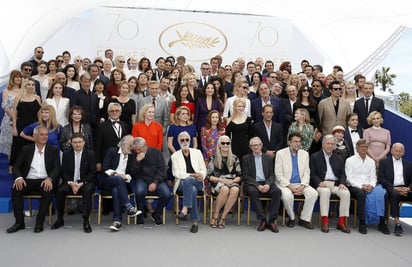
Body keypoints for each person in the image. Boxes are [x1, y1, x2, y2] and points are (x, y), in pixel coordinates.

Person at [7, 126, 60, 233]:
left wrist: (50, 179)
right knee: (16, 189)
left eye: (46, 134)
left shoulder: (53, 150)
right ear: (35, 136)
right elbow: (16, 166)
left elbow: (56, 168)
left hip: (45, 181)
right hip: (28, 181)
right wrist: (19, 178)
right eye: (42, 134)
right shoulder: (26, 150)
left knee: (48, 190)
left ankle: (39, 223)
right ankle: (19, 223)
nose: (45, 137)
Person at [51, 133, 96, 233]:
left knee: (87, 190)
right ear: (71, 143)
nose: (77, 144)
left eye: (80, 142)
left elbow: (92, 173)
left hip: (85, 182)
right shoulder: (67, 154)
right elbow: (64, 172)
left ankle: (86, 221)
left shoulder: (90, 154)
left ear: (84, 143)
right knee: (60, 190)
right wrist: (71, 183)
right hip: (70, 181)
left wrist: (81, 184)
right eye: (75, 142)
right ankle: (60, 219)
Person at [275, 132, 318, 229]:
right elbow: (278, 175)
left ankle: (304, 219)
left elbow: (307, 173)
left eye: (299, 142)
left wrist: (303, 185)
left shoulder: (305, 154)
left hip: (301, 183)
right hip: (285, 184)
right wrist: (290, 186)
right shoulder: (280, 153)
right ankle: (292, 217)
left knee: (313, 193)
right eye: (295, 141)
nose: (297, 144)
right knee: (286, 196)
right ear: (289, 142)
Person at [99, 135, 142, 231]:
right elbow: (105, 168)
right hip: (108, 180)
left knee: (116, 190)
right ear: (124, 144)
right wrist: (117, 174)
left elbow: (132, 173)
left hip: (122, 184)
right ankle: (128, 206)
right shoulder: (112, 151)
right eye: (131, 145)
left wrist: (125, 177)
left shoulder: (132, 156)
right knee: (118, 180)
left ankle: (117, 221)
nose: (133, 148)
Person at [310, 134, 351, 233]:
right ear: (323, 144)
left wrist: (342, 183)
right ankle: (325, 221)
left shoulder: (339, 158)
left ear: (334, 146)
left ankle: (341, 222)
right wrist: (319, 182)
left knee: (346, 193)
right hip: (322, 184)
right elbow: (312, 174)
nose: (330, 146)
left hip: (335, 184)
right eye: (327, 143)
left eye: (332, 144)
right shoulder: (315, 157)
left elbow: (342, 174)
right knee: (325, 192)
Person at [346, 139, 388, 234]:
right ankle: (362, 222)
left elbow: (373, 177)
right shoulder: (350, 160)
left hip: (369, 185)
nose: (364, 149)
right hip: (355, 186)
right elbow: (349, 178)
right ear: (357, 148)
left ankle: (382, 223)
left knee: (383, 194)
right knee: (361, 195)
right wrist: (361, 186)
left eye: (365, 147)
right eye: (362, 147)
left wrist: (371, 186)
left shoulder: (371, 161)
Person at [242, 137, 282, 233]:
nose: (256, 147)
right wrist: (257, 185)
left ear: (261, 146)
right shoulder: (246, 158)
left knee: (277, 192)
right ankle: (263, 220)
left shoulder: (268, 158)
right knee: (252, 191)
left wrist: (268, 184)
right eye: (253, 145)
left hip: (266, 182)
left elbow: (272, 174)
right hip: (253, 183)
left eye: (257, 145)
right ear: (250, 147)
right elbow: (246, 176)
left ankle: (272, 221)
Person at [171, 131, 207, 233]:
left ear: (190, 141)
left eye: (187, 140)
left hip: (198, 182)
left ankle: (185, 208)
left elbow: (203, 169)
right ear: (178, 142)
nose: (185, 142)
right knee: (192, 188)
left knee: (191, 184)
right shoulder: (175, 156)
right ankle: (195, 222)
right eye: (182, 140)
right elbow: (176, 173)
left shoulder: (197, 153)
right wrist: (192, 175)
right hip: (182, 184)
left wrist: (201, 175)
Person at [131, 137, 170, 225]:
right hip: (142, 179)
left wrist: (155, 182)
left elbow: (162, 169)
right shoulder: (134, 155)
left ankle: (157, 214)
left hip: (156, 179)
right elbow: (133, 172)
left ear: (145, 146)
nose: (137, 151)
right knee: (139, 191)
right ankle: (140, 214)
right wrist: (137, 161)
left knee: (166, 194)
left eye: (139, 149)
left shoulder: (156, 152)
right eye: (135, 150)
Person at [207, 135, 241, 228]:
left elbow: (239, 176)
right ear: (219, 145)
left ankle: (223, 217)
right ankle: (215, 216)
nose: (225, 145)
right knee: (225, 189)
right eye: (223, 143)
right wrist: (222, 180)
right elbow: (209, 176)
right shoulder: (213, 158)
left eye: (227, 143)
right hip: (218, 182)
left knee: (235, 190)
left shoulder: (235, 158)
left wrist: (232, 181)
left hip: (232, 181)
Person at [378, 143, 412, 236]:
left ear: (403, 152)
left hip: (405, 189)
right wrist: (394, 188)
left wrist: (408, 188)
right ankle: (397, 223)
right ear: (392, 151)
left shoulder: (408, 164)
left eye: (400, 151)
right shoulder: (384, 162)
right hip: (391, 188)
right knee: (394, 194)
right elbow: (380, 179)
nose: (398, 153)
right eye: (396, 151)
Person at [9, 78, 41, 167]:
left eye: (33, 85)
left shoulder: (37, 98)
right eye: (29, 84)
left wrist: (39, 128)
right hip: (20, 126)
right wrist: (14, 127)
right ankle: (14, 166)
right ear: (24, 86)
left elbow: (39, 114)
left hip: (33, 127)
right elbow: (15, 114)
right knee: (18, 146)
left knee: (32, 146)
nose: (31, 86)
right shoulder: (18, 98)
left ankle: (30, 166)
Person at [95, 102, 131, 172]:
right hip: (107, 159)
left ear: (120, 112)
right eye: (112, 111)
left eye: (117, 111)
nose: (114, 113)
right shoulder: (101, 127)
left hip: (123, 160)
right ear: (108, 112)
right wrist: (98, 162)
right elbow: (97, 145)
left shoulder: (126, 126)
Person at [0, 70, 22, 167]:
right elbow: (5, 106)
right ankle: (11, 165)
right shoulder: (6, 90)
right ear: (12, 78)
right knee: (10, 143)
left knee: (19, 143)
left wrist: (17, 117)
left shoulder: (23, 90)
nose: (18, 79)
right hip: (8, 119)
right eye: (16, 77)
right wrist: (13, 116)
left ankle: (19, 165)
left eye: (20, 77)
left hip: (21, 118)